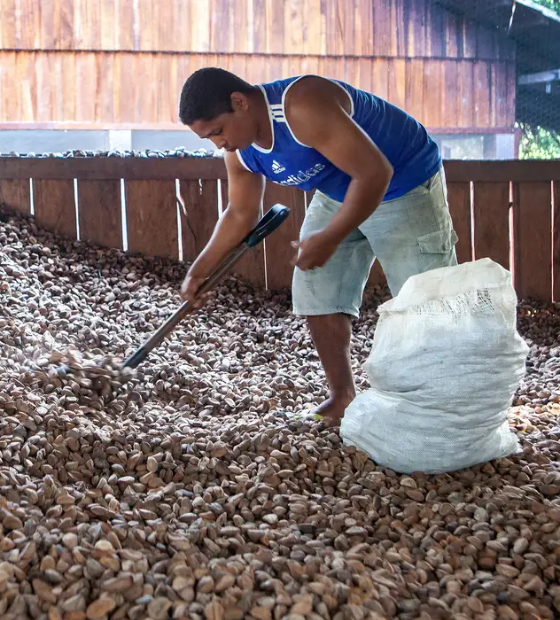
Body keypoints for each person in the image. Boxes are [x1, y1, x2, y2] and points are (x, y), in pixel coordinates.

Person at [178, 67, 458, 426]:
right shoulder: (240, 150)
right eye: (208, 138)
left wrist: (329, 237)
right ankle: (342, 398)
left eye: (217, 131)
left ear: (239, 103)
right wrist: (200, 272)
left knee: (426, 301)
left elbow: (375, 174)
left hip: (402, 180)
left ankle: (444, 410)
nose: (219, 144)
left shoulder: (301, 107)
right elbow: (239, 213)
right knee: (315, 287)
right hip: (339, 187)